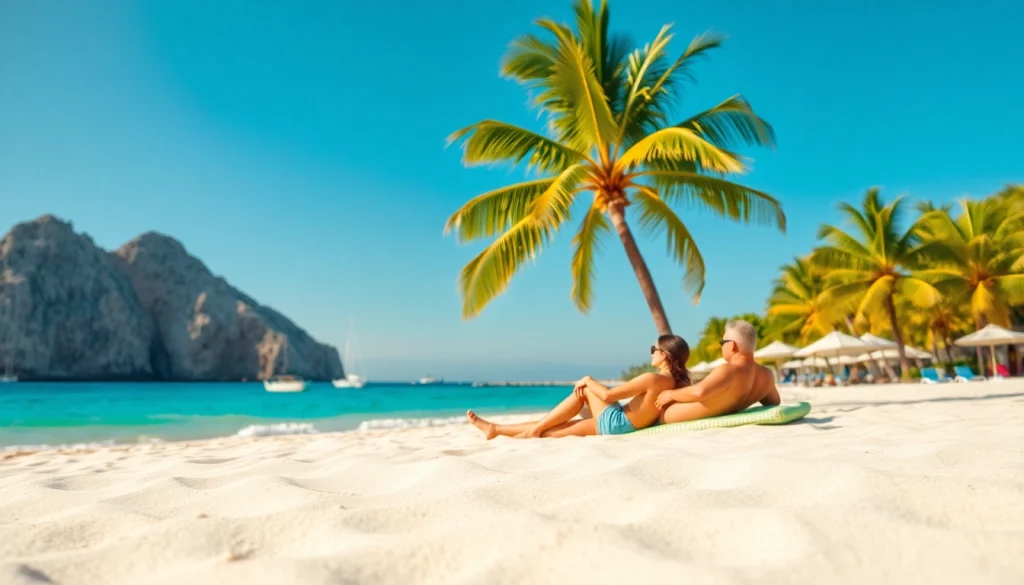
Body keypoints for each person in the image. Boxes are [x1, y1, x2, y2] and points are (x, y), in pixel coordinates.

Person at [466, 335, 691, 439]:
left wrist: (587, 378)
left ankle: (530, 431)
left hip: (617, 422)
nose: (651, 352)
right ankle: (496, 430)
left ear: (664, 355)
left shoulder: (653, 379)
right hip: (623, 425)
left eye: (654, 349)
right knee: (557, 428)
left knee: (585, 391)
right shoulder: (675, 383)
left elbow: (608, 394)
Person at [655, 320, 780, 423]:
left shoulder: (729, 370)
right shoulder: (767, 375)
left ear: (732, 345)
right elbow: (774, 402)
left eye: (722, 342)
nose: (721, 346)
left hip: (666, 416)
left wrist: (670, 394)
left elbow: (699, 392)